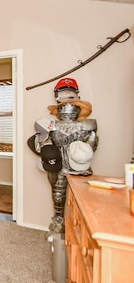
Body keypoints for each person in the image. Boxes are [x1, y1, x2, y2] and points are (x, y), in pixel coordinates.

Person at [34, 78, 98, 237]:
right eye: (64, 94)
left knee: (82, 198)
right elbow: (42, 143)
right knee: (57, 195)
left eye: (70, 94)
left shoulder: (87, 125)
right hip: (58, 164)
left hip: (80, 165)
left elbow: (92, 145)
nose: (67, 98)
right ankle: (58, 222)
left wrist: (81, 152)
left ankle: (81, 229)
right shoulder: (51, 125)